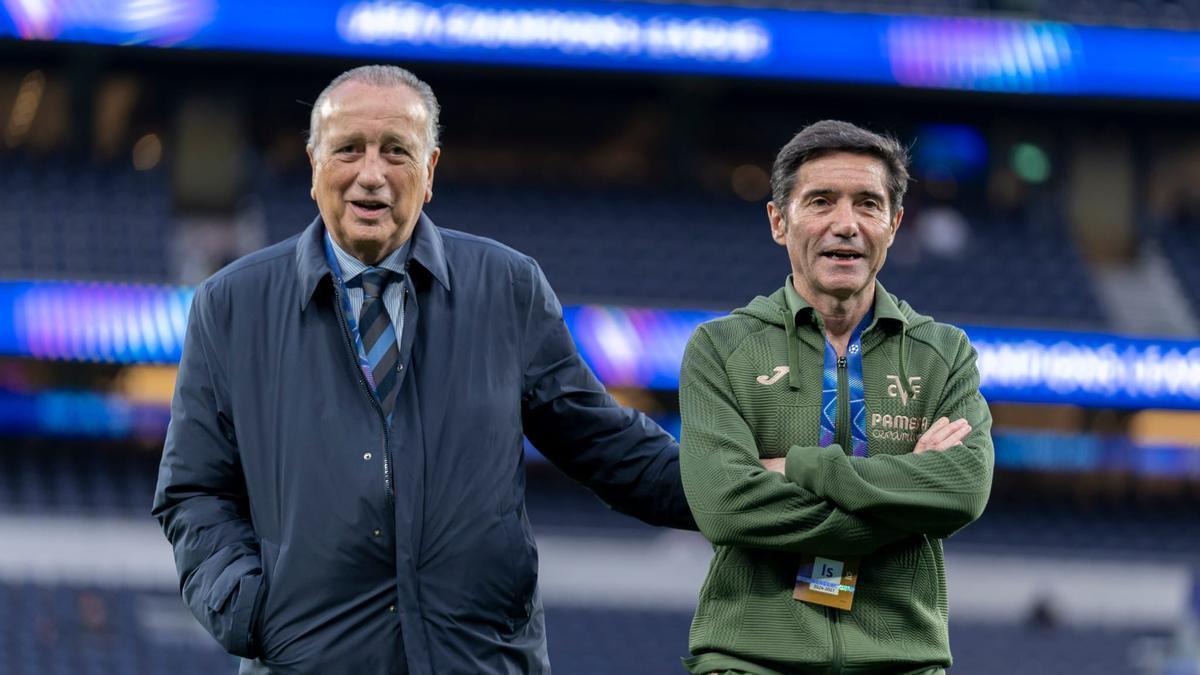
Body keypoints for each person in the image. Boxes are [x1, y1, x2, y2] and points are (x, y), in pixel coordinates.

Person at [152, 64, 695, 675]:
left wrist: (744, 487)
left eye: (396, 151)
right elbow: (194, 489)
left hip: (478, 661)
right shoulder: (231, 304)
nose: (371, 174)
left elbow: (605, 446)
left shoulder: (507, 287)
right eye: (348, 149)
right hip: (305, 662)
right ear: (314, 165)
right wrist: (247, 610)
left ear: (430, 170)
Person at [678, 120, 993, 675]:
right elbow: (725, 507)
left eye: (868, 204)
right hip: (751, 661)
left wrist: (798, 467)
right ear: (779, 221)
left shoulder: (943, 353)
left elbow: (962, 490)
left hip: (903, 663)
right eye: (821, 201)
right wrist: (905, 498)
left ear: (894, 224)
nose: (845, 224)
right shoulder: (721, 348)